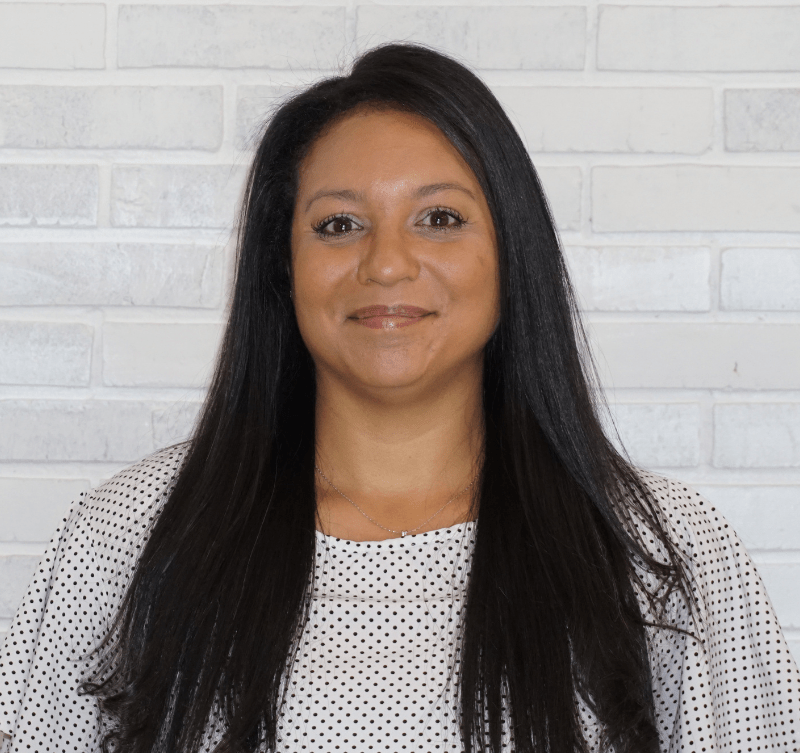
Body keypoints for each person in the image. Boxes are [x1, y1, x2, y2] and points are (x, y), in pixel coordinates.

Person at [0, 43, 798, 753]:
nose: (386, 264)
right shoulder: (127, 539)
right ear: (284, 267)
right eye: (339, 225)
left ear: (510, 252)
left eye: (439, 218)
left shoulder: (662, 556)